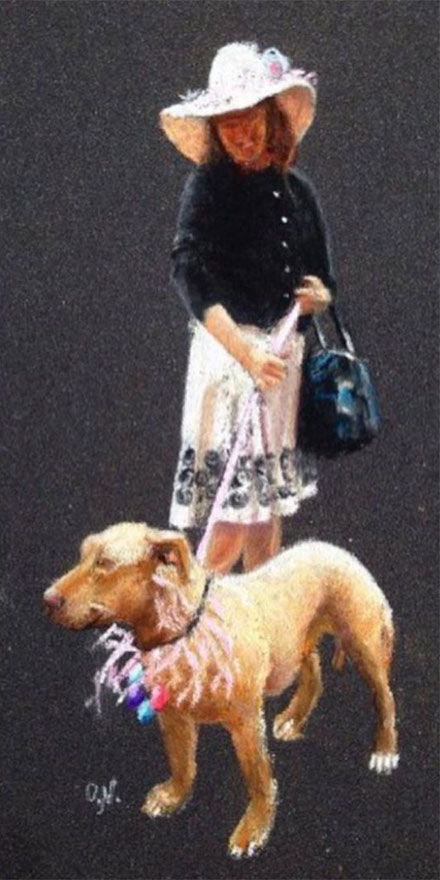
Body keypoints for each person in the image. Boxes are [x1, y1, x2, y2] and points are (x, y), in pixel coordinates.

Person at [161, 42, 334, 574]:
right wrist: (244, 353)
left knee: (264, 517)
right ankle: (193, 628)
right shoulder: (209, 186)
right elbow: (186, 270)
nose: (240, 132)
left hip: (281, 364)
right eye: (228, 121)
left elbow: (321, 275)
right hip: (232, 364)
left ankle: (264, 633)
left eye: (249, 118)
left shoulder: (295, 189)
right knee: (234, 516)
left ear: (269, 117)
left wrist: (316, 298)